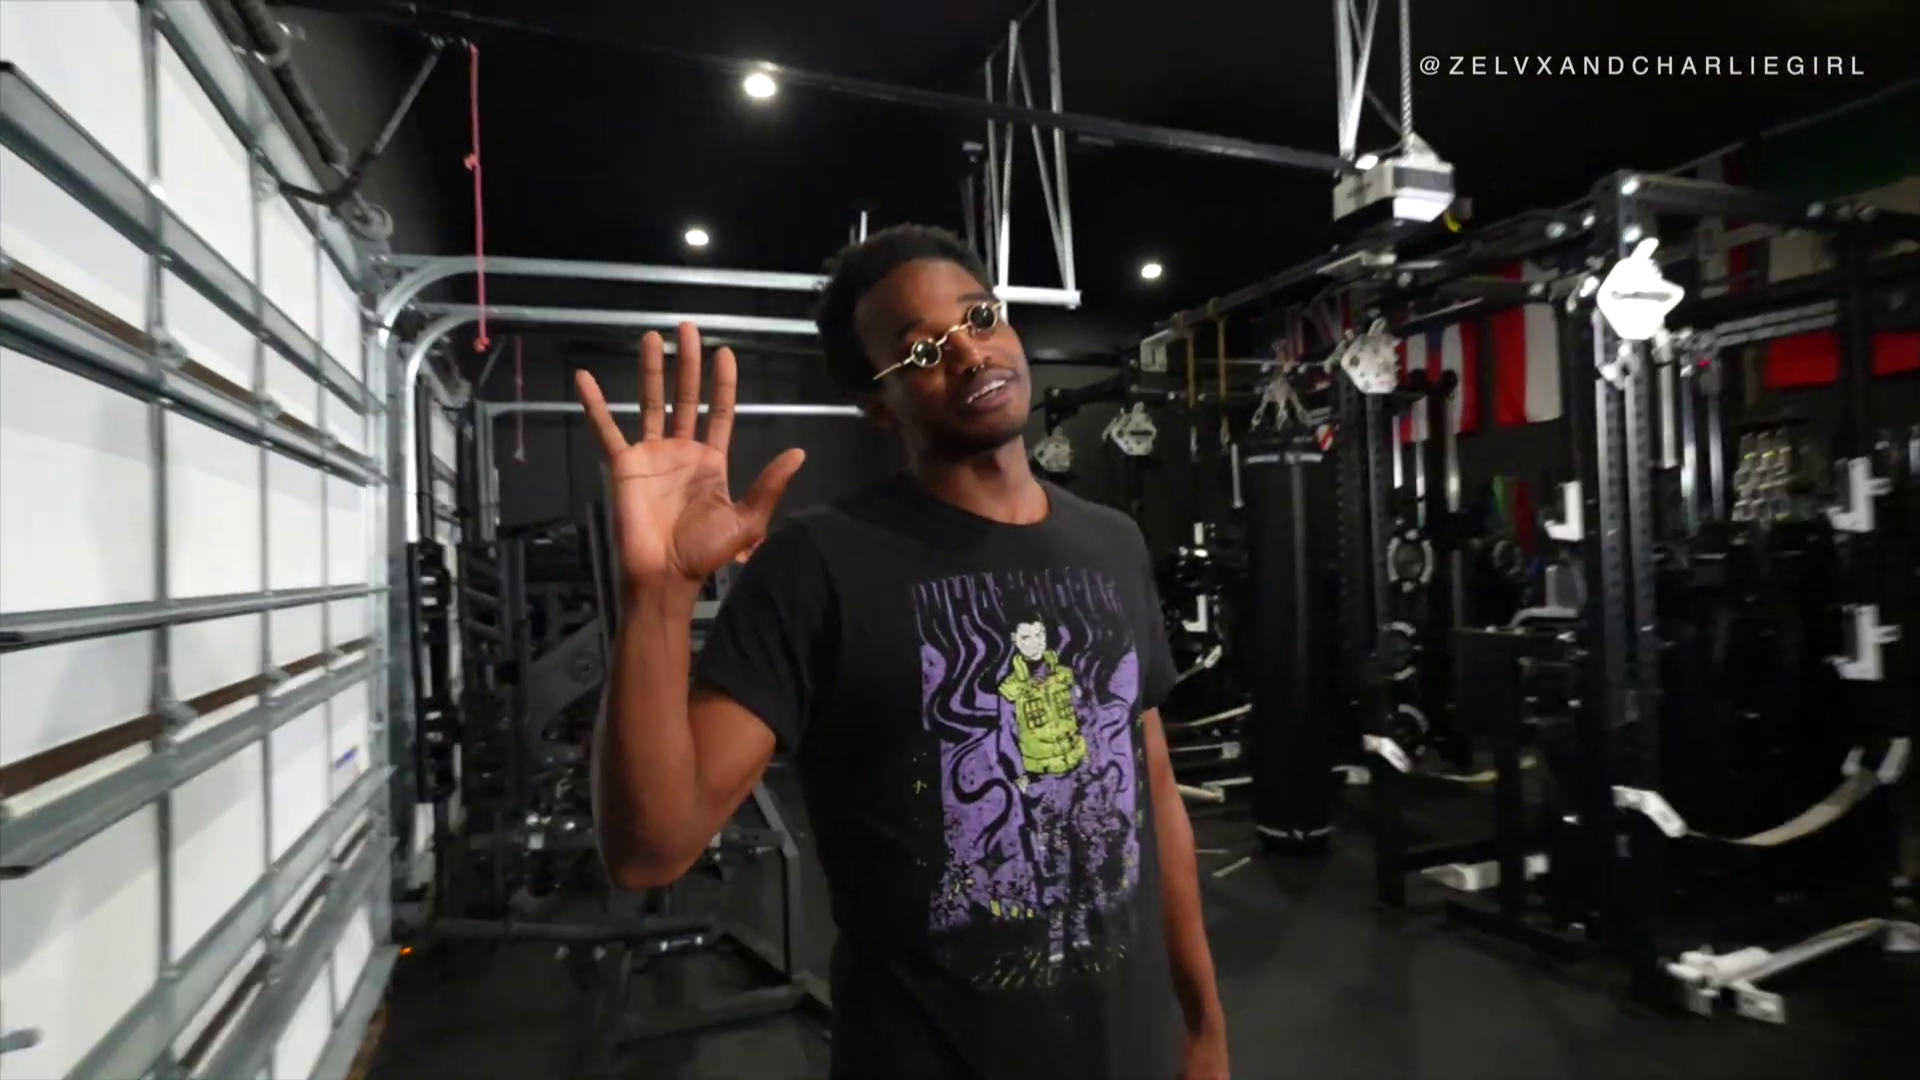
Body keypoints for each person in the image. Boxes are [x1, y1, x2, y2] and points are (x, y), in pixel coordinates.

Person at [577, 224, 1229, 1080]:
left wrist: (1202, 1021)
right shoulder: (818, 564)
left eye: (980, 318)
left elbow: (1154, 791)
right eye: (922, 351)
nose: (969, 353)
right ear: (878, 404)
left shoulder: (1113, 542)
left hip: (1132, 1055)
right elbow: (649, 851)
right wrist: (659, 598)